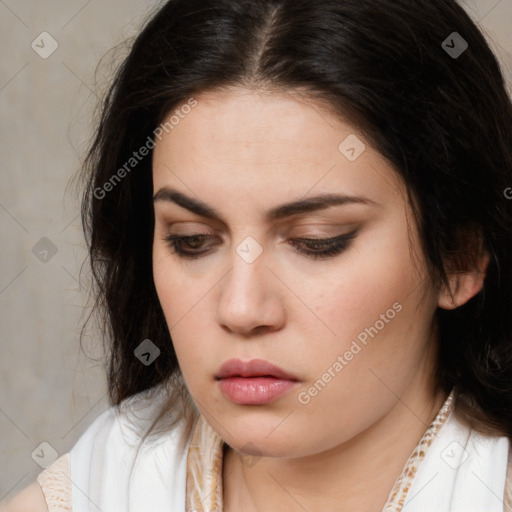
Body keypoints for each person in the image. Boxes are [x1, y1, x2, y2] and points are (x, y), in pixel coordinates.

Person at [3, 0, 512, 510]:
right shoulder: (92, 493)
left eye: (317, 240)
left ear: (458, 258)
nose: (241, 309)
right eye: (192, 240)